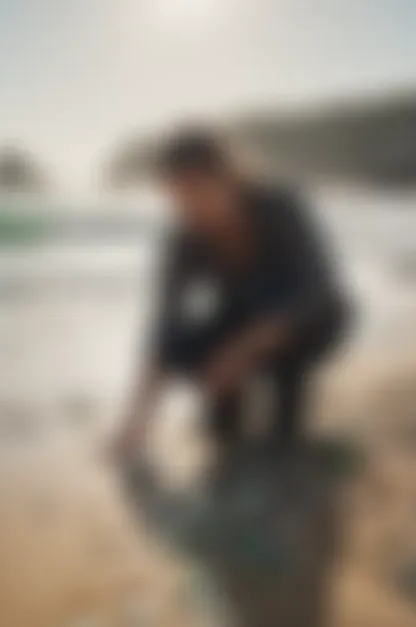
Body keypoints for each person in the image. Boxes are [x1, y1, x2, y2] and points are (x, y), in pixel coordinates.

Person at [113, 127, 349, 458]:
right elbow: (163, 325)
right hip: (242, 316)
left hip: (308, 322)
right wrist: (135, 423)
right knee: (217, 421)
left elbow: (318, 290)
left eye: (196, 190)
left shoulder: (280, 206)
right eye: (175, 195)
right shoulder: (184, 236)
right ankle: (229, 406)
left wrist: (244, 351)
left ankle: (285, 406)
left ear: (229, 178)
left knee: (283, 440)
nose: (187, 206)